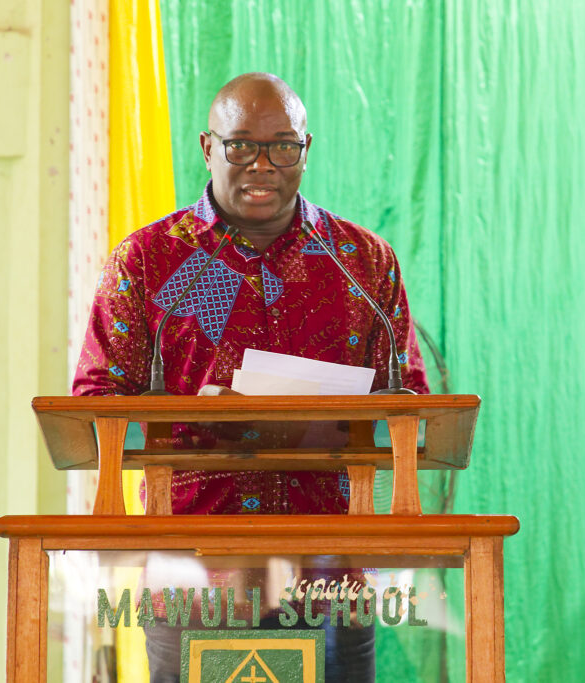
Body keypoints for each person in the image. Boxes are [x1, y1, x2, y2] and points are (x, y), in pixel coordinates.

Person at [72, 72, 428, 681]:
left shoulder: (362, 263)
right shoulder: (152, 260)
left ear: (306, 150)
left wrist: (327, 415)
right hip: (195, 572)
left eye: (282, 146)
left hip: (328, 573)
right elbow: (93, 406)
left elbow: (413, 405)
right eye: (241, 145)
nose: (262, 164)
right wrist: (195, 415)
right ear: (208, 148)